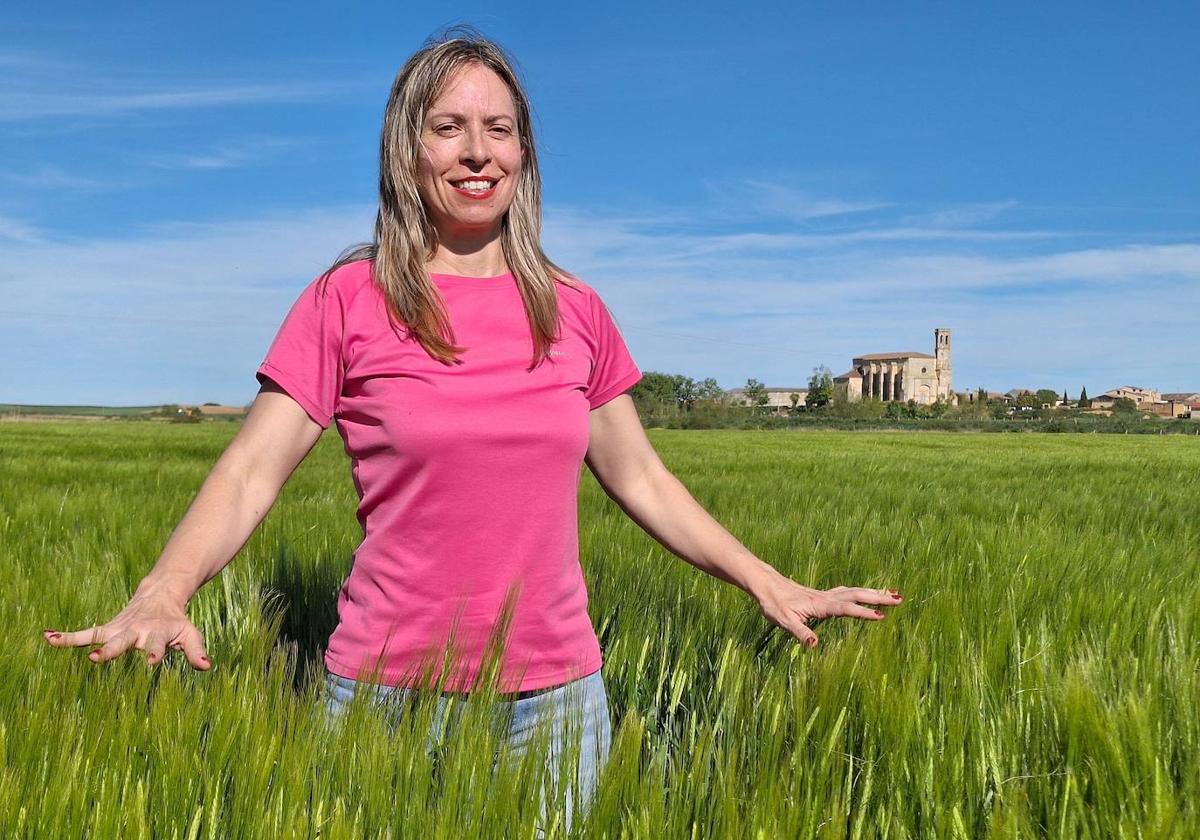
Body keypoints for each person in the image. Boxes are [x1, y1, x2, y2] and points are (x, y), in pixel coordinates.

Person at [41, 26, 902, 833]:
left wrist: (766, 581)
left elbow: (642, 477)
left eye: (498, 129)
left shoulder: (575, 311)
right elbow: (250, 472)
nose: (477, 152)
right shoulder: (348, 300)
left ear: (524, 154)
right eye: (449, 128)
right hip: (380, 698)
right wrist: (165, 589)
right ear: (406, 149)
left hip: (558, 703)